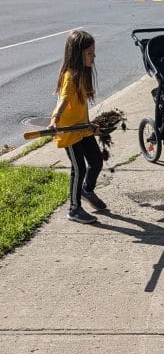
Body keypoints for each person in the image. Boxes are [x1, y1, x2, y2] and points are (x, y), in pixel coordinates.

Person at [48, 29, 106, 225]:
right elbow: (63, 100)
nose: (93, 56)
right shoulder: (70, 76)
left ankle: (87, 190)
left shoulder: (83, 74)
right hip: (68, 131)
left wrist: (90, 126)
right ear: (77, 53)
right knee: (78, 167)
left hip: (81, 127)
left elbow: (81, 107)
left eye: (93, 52)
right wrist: (55, 119)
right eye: (90, 53)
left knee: (97, 161)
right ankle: (74, 208)